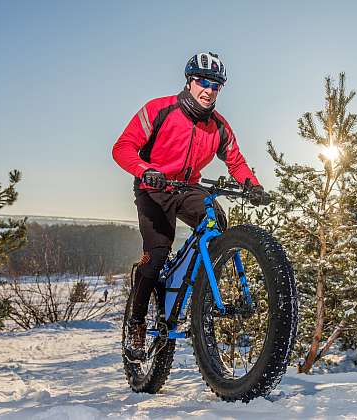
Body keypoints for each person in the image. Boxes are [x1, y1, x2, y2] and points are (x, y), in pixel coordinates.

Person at [112, 52, 267, 361]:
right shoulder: (160, 109)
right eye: (203, 82)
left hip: (188, 188)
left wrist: (253, 184)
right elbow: (122, 147)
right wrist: (146, 171)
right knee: (155, 258)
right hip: (152, 188)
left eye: (216, 85)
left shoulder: (219, 126)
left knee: (216, 223)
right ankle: (137, 323)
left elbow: (235, 161)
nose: (209, 90)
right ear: (189, 81)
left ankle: (200, 294)